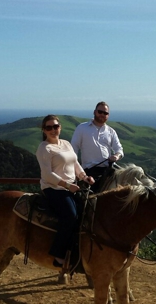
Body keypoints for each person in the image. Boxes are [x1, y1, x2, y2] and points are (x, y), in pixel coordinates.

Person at [36, 114, 95, 267]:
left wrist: (84, 177)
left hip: (71, 187)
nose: (53, 130)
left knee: (89, 213)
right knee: (70, 216)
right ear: (44, 130)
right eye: (49, 127)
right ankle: (58, 255)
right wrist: (67, 185)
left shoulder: (66, 144)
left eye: (55, 126)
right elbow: (47, 175)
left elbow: (75, 164)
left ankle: (78, 249)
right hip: (54, 188)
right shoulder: (44, 148)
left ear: (60, 127)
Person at [71, 101, 124, 192]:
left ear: (108, 115)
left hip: (109, 169)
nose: (102, 114)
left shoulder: (111, 131)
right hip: (91, 170)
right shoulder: (82, 128)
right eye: (100, 112)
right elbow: (73, 149)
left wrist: (116, 156)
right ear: (94, 112)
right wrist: (75, 170)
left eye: (105, 113)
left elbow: (119, 150)